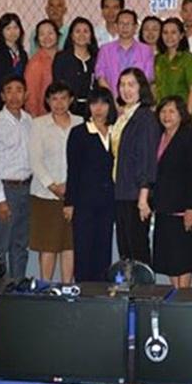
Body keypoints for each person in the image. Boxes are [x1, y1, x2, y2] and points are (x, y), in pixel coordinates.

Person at [0, 75, 34, 279]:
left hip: (26, 189)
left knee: (20, 244)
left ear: (26, 94)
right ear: (2, 95)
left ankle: (17, 286)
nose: (14, 95)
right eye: (9, 90)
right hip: (4, 190)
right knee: (0, 245)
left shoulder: (30, 121)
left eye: (19, 90)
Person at [29, 82, 82, 282]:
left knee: (70, 244)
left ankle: (67, 287)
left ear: (71, 100)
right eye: (54, 99)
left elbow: (84, 159)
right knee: (48, 245)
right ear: (48, 101)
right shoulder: (38, 124)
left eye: (63, 98)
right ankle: (45, 287)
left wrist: (71, 186)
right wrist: (53, 186)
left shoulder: (81, 122)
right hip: (45, 195)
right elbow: (35, 159)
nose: (59, 103)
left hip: (74, 194)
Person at [151, 96, 192, 287]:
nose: (166, 116)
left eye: (172, 111)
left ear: (181, 115)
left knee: (183, 258)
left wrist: (191, 209)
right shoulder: (159, 137)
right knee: (169, 259)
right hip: (163, 207)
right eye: (163, 111)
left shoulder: (190, 138)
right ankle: (175, 293)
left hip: (183, 210)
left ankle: (183, 296)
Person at [65, 86, 117, 282]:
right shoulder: (79, 133)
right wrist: (69, 202)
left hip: (109, 201)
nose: (99, 108)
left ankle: (100, 293)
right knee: (83, 249)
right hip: (84, 202)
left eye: (104, 103)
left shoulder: (116, 131)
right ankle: (83, 291)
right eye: (94, 103)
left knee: (104, 249)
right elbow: (73, 169)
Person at [111, 67, 160, 264]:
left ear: (141, 88)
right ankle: (128, 284)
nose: (126, 89)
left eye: (131, 84)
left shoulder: (145, 117)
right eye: (122, 85)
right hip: (122, 190)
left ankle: (142, 285)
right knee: (125, 250)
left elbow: (147, 159)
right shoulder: (123, 116)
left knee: (137, 250)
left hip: (136, 194)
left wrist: (143, 197)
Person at [95, 9, 154, 95]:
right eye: (121, 23)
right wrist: (112, 98)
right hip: (112, 98)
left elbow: (147, 78)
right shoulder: (105, 50)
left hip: (138, 98)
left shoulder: (146, 51)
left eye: (128, 24)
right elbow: (100, 76)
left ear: (135, 27)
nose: (125, 27)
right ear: (116, 26)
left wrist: (133, 97)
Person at [53, 17, 99, 117]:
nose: (82, 35)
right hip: (68, 109)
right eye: (77, 31)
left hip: (93, 109)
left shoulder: (98, 58)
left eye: (86, 31)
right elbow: (58, 86)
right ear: (71, 36)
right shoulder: (62, 58)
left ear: (91, 36)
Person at [0, 13, 28, 118]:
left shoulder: (23, 54)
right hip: (0, 104)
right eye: (8, 28)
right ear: (1, 31)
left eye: (15, 27)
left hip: (19, 103)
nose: (12, 32)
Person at [154, 18, 192, 116]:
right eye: (165, 33)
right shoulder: (158, 59)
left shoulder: (188, 58)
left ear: (181, 35)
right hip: (163, 113)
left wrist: (187, 115)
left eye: (173, 32)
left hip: (182, 113)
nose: (169, 36)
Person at [24, 19, 59, 117]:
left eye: (50, 33)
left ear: (57, 35)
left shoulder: (65, 57)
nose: (46, 37)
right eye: (42, 34)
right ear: (37, 39)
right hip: (43, 116)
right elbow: (31, 95)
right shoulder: (35, 63)